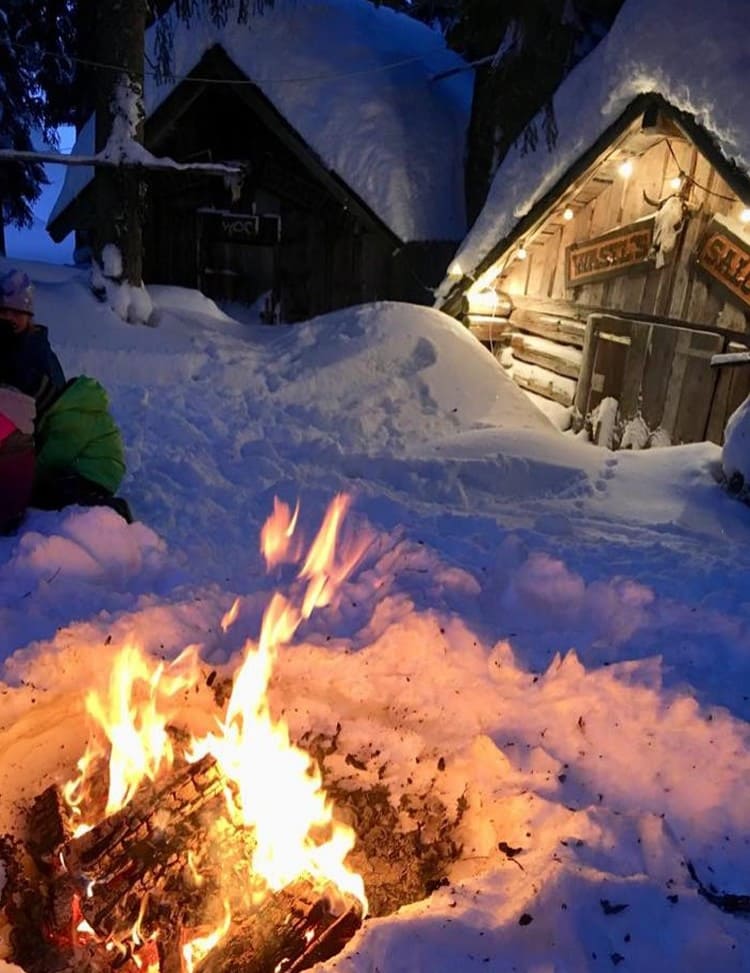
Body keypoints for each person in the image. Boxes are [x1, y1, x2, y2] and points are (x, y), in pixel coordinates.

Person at [0, 267, 132, 524]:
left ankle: (111, 510)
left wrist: (24, 479)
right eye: (3, 312)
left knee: (42, 493)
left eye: (16, 313)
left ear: (29, 316)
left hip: (94, 467)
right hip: (65, 448)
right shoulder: (11, 346)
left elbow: (49, 444)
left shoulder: (37, 358)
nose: (9, 318)